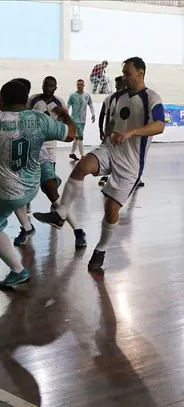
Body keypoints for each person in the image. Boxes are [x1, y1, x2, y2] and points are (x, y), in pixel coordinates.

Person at [33, 57, 165, 271]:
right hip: (111, 149)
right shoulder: (117, 97)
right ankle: (61, 213)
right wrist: (108, 135)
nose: (123, 77)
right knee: (82, 166)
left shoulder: (152, 97)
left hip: (131, 163)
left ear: (141, 73)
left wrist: (131, 132)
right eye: (123, 73)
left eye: (127, 73)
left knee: (110, 209)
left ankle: (101, 248)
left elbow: (159, 126)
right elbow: (112, 120)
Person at [0, 75, 76, 288]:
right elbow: (71, 135)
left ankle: (17, 270)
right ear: (26, 100)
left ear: (1, 102)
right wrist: (66, 116)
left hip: (5, 191)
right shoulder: (39, 119)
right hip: (30, 188)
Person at [12, 76, 87, 248]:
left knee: (50, 190)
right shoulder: (28, 105)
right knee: (19, 194)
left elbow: (69, 133)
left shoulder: (54, 107)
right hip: (28, 151)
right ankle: (27, 226)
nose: (48, 88)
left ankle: (73, 227)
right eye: (46, 85)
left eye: (52, 86)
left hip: (46, 150)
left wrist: (65, 115)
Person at [97, 76, 144, 189]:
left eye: (121, 84)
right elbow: (103, 114)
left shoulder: (134, 98)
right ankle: (105, 176)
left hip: (126, 133)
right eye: (117, 84)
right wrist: (102, 130)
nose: (119, 86)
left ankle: (135, 177)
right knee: (109, 153)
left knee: (128, 155)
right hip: (112, 132)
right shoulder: (110, 98)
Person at [67, 79, 96, 161]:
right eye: (78, 85)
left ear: (83, 85)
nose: (79, 86)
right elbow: (68, 106)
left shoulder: (87, 95)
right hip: (75, 120)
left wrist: (93, 114)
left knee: (77, 138)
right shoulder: (72, 95)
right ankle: (83, 156)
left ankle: (72, 153)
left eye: (81, 85)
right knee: (80, 137)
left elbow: (91, 105)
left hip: (83, 120)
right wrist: (66, 116)